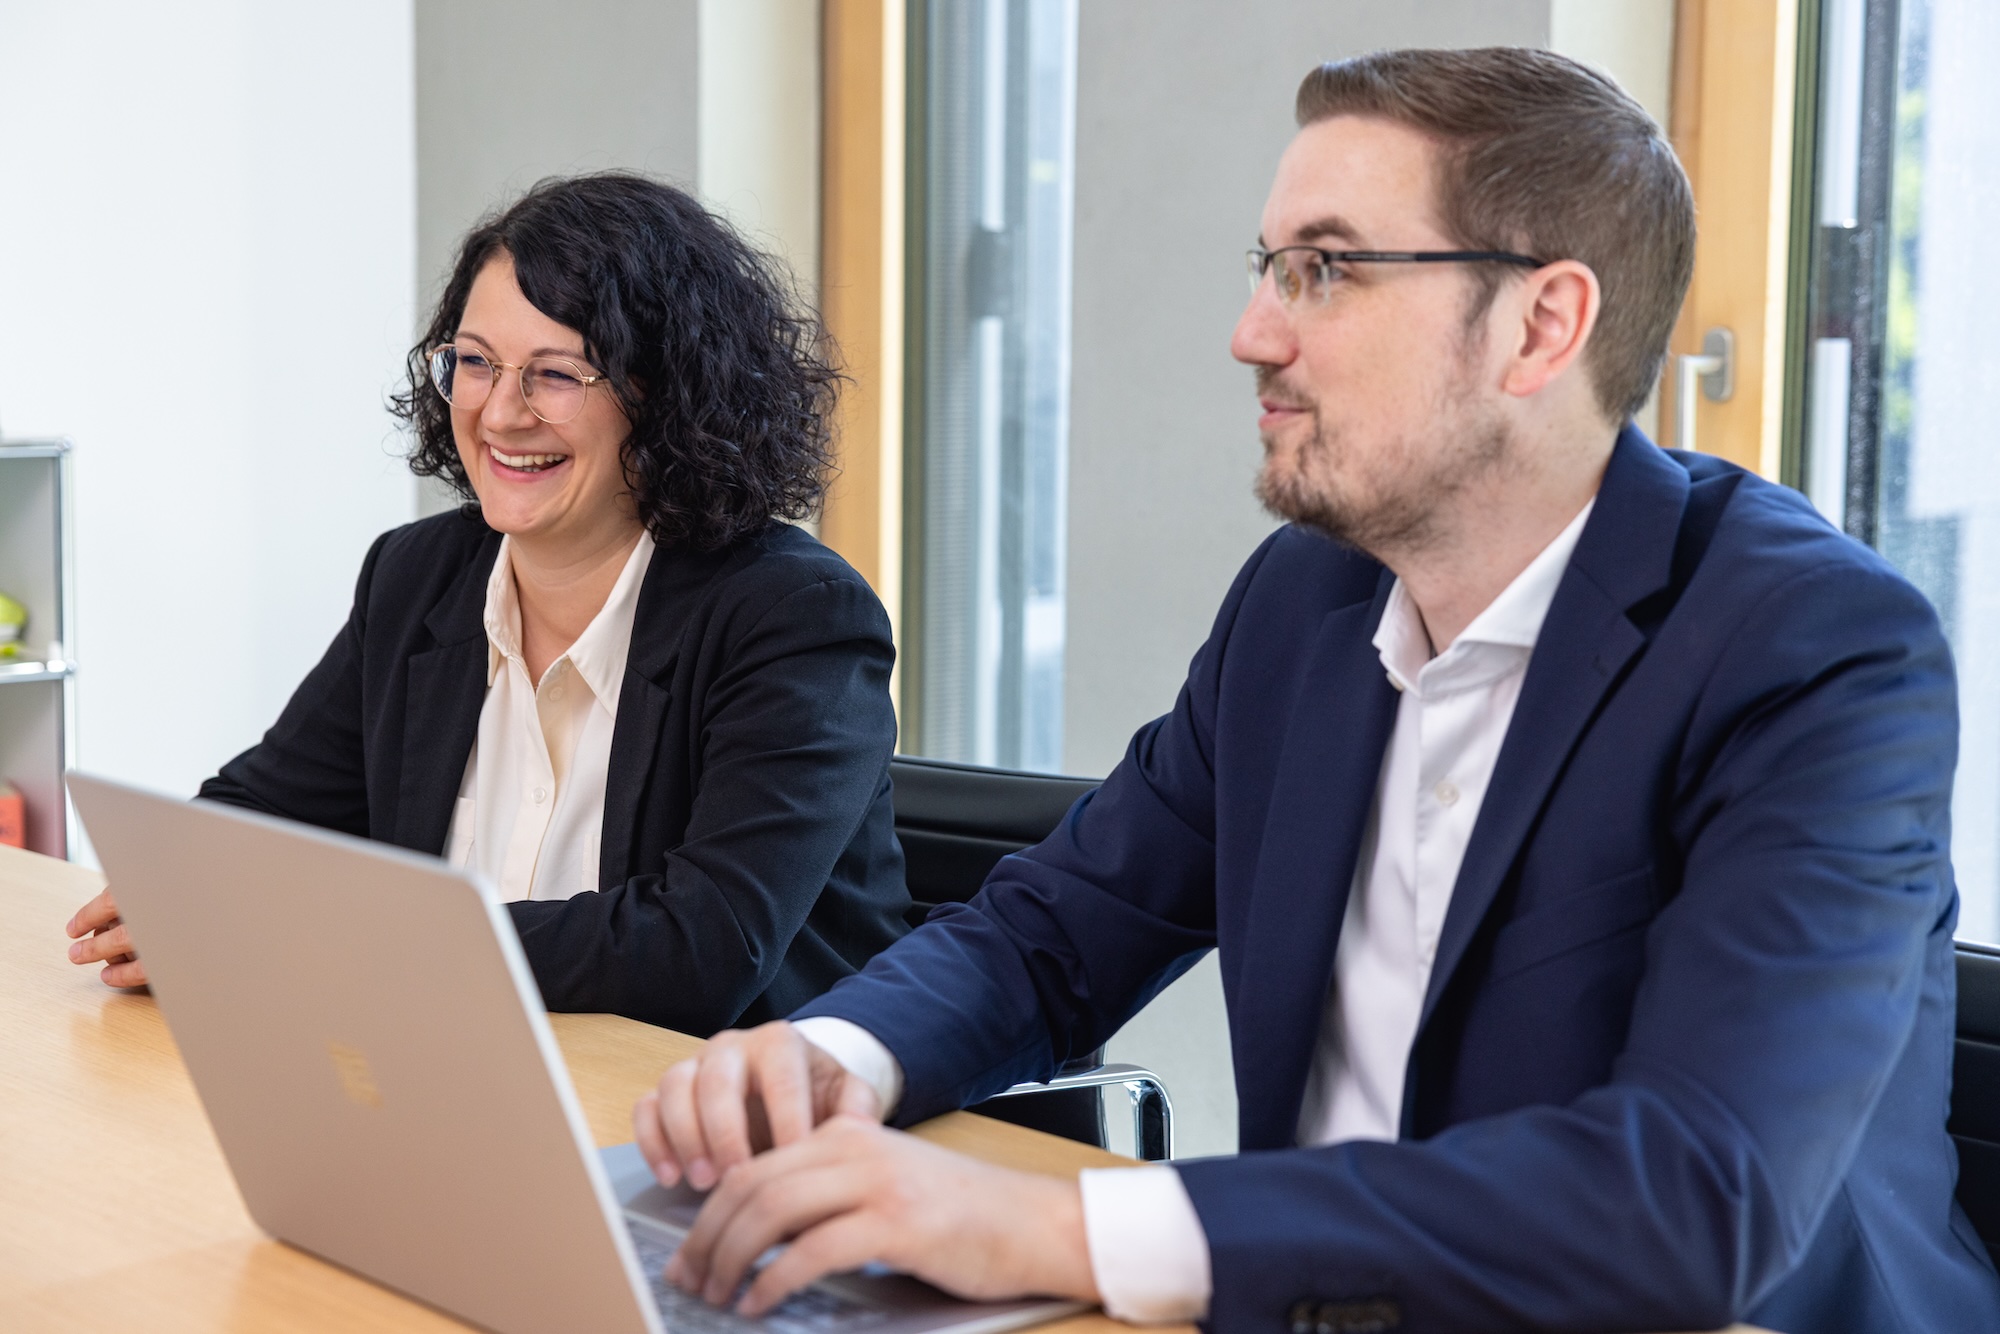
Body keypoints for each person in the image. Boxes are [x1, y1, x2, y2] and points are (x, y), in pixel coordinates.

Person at [628, 47, 2000, 1332]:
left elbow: (1699, 1191)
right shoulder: (1305, 598)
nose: (1252, 332)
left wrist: (1075, 1228)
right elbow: (1053, 929)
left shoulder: (1814, 649)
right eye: (1271, 264)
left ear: (1541, 324)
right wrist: (836, 1056)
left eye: (1327, 270)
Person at [64, 173, 911, 1034]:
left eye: (555, 374)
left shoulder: (795, 616)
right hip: (467, 1073)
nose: (502, 412)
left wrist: (348, 942)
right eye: (474, 362)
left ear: (666, 395)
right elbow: (257, 816)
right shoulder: (417, 577)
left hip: (730, 1120)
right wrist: (185, 900)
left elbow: (698, 948)